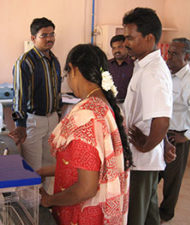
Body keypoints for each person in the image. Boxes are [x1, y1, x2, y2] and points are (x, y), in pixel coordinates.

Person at [37, 44, 133, 225]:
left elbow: (86, 189)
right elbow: (85, 164)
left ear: (74, 69)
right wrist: (43, 171)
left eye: (66, 75)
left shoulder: (86, 115)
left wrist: (48, 200)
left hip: (82, 215)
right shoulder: (104, 105)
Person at [122, 8, 173, 225]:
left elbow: (161, 119)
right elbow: (155, 112)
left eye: (130, 38)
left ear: (149, 38)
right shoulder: (144, 66)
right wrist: (164, 142)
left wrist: (147, 146)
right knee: (149, 213)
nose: (126, 43)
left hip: (142, 161)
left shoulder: (152, 72)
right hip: (144, 158)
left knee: (136, 214)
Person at [9, 17, 62, 192]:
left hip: (52, 119)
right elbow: (19, 97)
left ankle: (47, 200)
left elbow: (57, 91)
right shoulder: (25, 62)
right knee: (33, 166)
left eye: (52, 34)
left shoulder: (54, 60)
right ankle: (30, 206)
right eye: (44, 35)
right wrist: (20, 125)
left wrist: (59, 116)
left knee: (50, 163)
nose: (50, 38)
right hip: (33, 121)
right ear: (33, 38)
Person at [159, 38, 190, 223]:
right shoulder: (168, 74)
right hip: (160, 133)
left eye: (174, 53)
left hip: (176, 137)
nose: (169, 56)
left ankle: (165, 215)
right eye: (169, 52)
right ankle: (149, 211)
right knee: (154, 175)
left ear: (187, 57)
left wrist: (187, 135)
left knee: (172, 182)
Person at [108, 35, 134, 105]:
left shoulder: (134, 66)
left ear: (126, 47)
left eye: (120, 47)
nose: (117, 51)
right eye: (114, 48)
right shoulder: (107, 65)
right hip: (110, 104)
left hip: (128, 105)